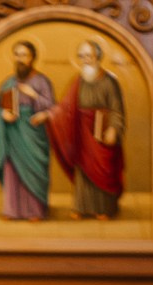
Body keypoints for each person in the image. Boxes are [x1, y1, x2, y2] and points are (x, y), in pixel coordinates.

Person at [49, 38, 125, 220]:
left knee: (103, 167)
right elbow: (65, 107)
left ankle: (105, 208)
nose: (85, 60)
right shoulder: (78, 81)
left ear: (98, 57)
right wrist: (49, 115)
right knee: (83, 168)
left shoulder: (109, 82)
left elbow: (116, 109)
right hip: (81, 130)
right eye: (81, 56)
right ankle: (81, 207)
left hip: (102, 128)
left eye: (88, 56)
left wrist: (113, 129)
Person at [0, 40, 55, 222]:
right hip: (13, 133)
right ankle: (12, 210)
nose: (20, 59)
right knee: (13, 170)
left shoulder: (41, 81)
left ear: (32, 58)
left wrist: (33, 95)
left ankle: (35, 211)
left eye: (24, 55)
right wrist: (2, 113)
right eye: (17, 54)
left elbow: (51, 106)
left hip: (33, 132)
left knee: (34, 170)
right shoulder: (8, 83)